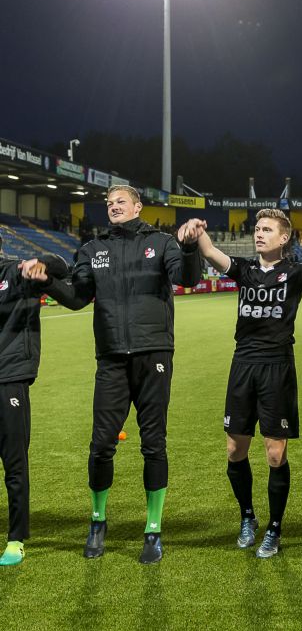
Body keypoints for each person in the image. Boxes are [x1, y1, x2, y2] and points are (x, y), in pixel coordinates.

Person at [23, 184, 203, 564]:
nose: (113, 207)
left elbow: (188, 279)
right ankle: (97, 521)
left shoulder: (162, 241)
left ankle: (153, 529)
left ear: (138, 206)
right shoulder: (93, 248)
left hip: (154, 353)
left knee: (154, 443)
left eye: (121, 202)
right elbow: (76, 297)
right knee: (101, 445)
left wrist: (188, 246)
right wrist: (48, 283)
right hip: (111, 360)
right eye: (108, 204)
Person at [193, 207, 302, 558]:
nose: (259, 234)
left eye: (267, 229)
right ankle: (248, 517)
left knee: (275, 454)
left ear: (284, 237)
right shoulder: (243, 270)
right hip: (242, 364)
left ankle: (274, 528)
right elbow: (211, 253)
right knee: (234, 450)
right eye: (257, 229)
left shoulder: (294, 273)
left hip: (277, 368)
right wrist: (198, 229)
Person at [0, 240, 67, 566]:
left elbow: (59, 266)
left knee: (14, 463)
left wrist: (37, 263)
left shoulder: (15, 271)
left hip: (8, 378)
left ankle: (16, 537)